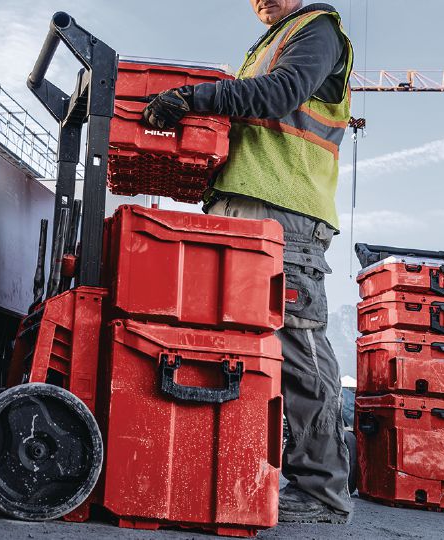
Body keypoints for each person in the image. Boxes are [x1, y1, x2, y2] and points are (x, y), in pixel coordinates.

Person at [142, 0, 354, 525]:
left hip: (287, 217)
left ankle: (324, 494)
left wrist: (196, 98)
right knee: (232, 347)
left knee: (298, 351)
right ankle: (229, 470)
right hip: (248, 211)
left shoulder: (317, 30)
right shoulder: (266, 43)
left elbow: (279, 94)